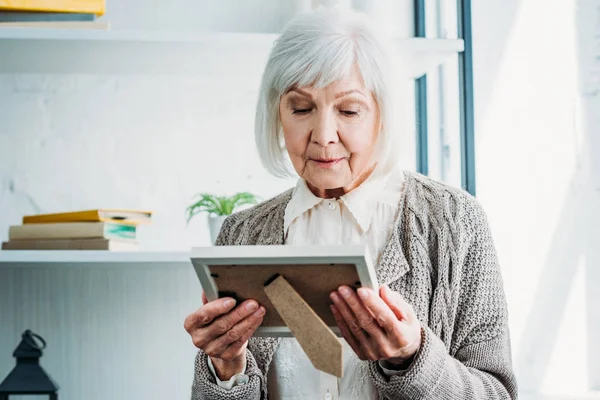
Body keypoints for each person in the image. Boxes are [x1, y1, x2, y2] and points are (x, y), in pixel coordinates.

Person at [184, 6, 517, 400]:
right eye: (302, 108)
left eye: (349, 110)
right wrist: (226, 370)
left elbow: (498, 394)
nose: (324, 135)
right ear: (277, 113)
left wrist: (413, 360)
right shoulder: (241, 234)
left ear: (382, 115)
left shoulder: (455, 222)